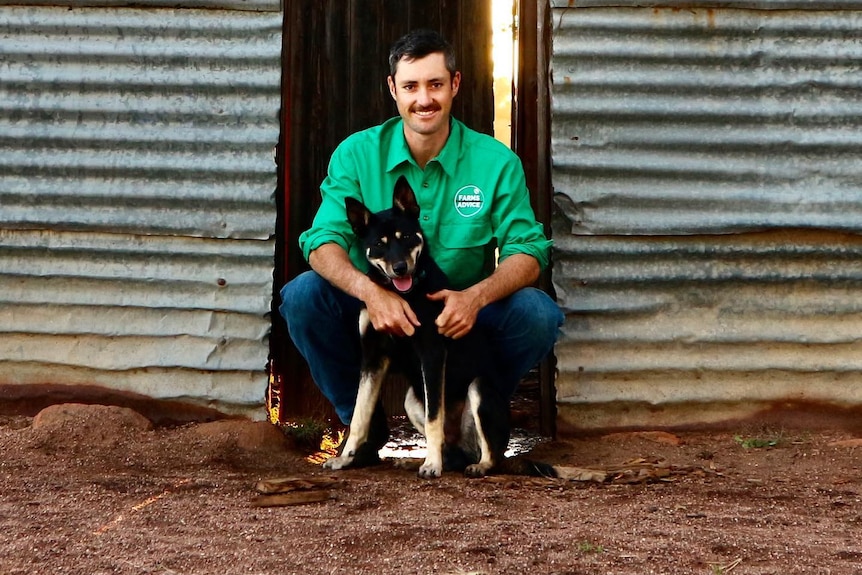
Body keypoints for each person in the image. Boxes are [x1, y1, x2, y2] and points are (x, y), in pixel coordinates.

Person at [279, 29, 563, 457]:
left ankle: (472, 419)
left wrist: (475, 297)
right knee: (302, 297)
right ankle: (363, 427)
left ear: (455, 85)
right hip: (376, 311)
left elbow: (529, 250)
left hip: (460, 316)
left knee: (538, 314)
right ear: (393, 89)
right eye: (411, 86)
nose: (424, 99)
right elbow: (321, 242)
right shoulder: (356, 154)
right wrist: (372, 295)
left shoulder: (495, 161)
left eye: (435, 84)